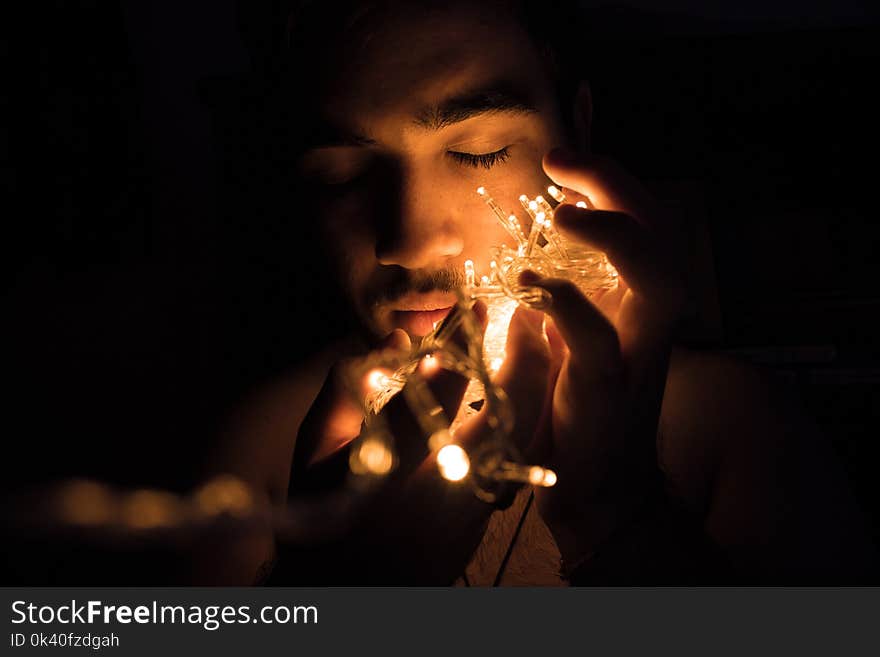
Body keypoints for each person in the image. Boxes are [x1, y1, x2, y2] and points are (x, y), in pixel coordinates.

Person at [194, 0, 877, 585]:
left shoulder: (734, 435)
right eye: (344, 174)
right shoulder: (261, 456)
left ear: (576, 130)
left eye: (480, 151)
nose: (409, 239)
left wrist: (621, 520)